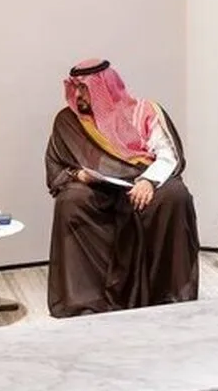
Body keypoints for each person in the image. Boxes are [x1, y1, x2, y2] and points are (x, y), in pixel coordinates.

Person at [44, 59, 199, 317]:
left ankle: (167, 295)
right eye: (75, 88)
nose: (78, 95)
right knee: (71, 200)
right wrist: (78, 174)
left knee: (175, 196)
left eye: (84, 88)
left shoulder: (144, 111)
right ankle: (85, 301)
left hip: (142, 180)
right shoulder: (68, 121)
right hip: (100, 188)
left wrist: (148, 181)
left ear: (104, 87)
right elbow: (57, 164)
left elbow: (167, 154)